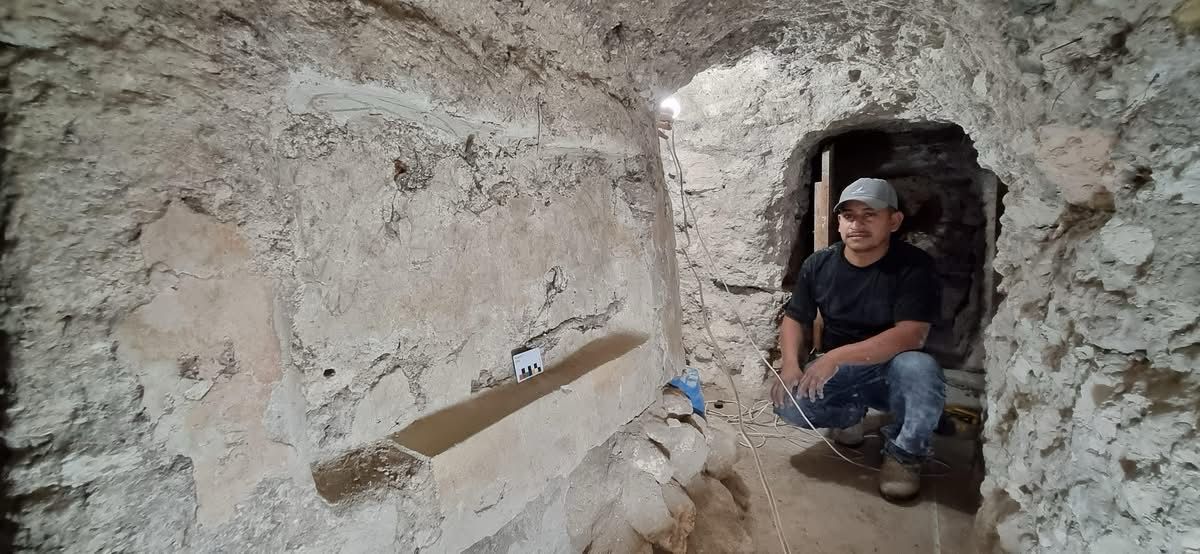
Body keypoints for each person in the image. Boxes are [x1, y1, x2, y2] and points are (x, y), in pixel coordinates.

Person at [769, 177, 944, 501]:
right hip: (844, 370)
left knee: (920, 368)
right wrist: (790, 364)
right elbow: (796, 317)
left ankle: (905, 453)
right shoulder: (819, 264)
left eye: (869, 214)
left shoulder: (914, 266)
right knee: (789, 406)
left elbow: (912, 334)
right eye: (849, 215)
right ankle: (850, 416)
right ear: (838, 222)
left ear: (893, 221)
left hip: (892, 368)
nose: (857, 224)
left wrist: (833, 357)